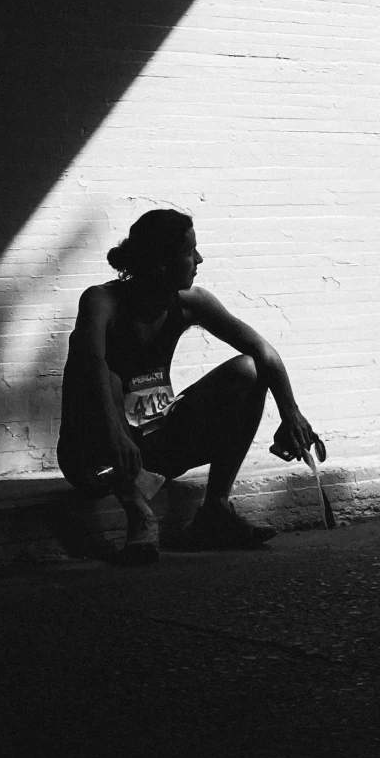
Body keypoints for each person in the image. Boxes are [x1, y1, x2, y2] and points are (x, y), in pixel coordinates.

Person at [57, 207, 320, 561]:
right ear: (161, 263)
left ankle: (215, 511)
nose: (199, 259)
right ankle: (139, 518)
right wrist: (116, 436)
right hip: (96, 457)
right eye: (189, 252)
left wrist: (291, 413)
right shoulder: (102, 301)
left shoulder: (191, 302)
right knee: (104, 373)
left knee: (249, 370)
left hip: (153, 446)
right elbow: (89, 365)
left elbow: (262, 350)